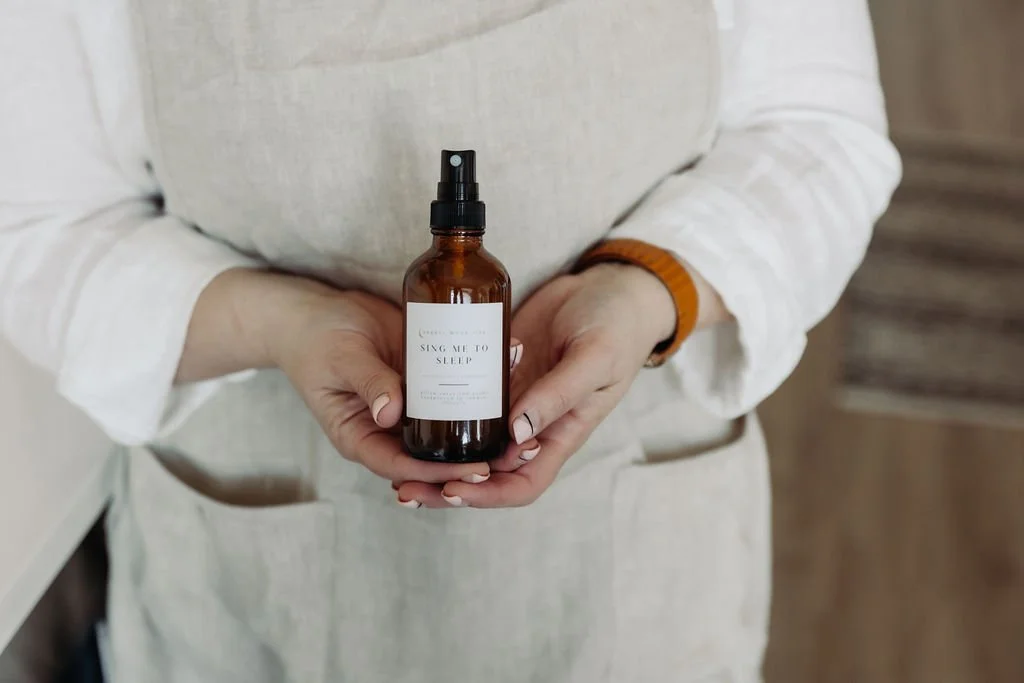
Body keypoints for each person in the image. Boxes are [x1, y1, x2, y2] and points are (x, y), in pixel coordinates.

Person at [0, 0, 900, 680]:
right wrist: (280, 323)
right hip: (250, 572)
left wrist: (644, 292)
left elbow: (818, 135)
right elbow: (40, 228)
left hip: (631, 559)